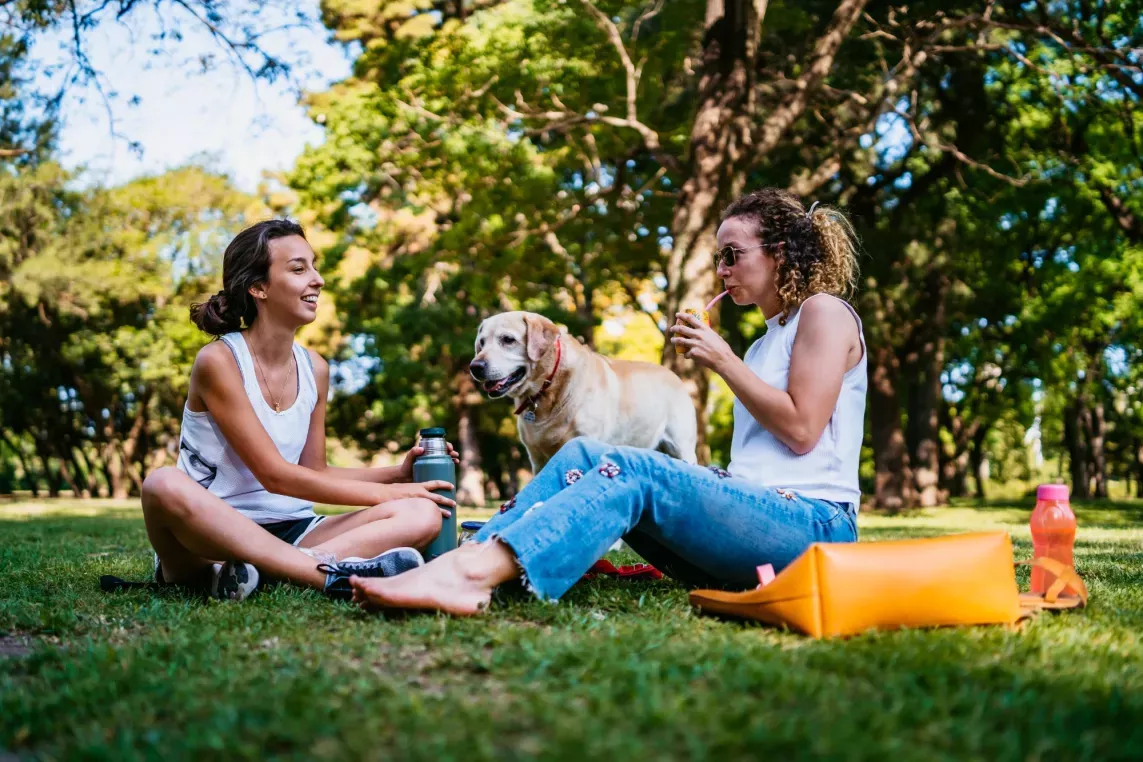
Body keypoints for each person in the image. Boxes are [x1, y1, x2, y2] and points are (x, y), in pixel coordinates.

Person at [349, 188, 867, 615]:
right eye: (717, 258)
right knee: (580, 455)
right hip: (754, 531)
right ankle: (458, 561)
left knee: (632, 469)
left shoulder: (823, 312)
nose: (722, 270)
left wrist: (722, 361)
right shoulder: (764, 342)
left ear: (780, 252)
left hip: (813, 527)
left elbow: (802, 431)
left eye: (733, 255)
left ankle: (469, 576)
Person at [141, 219, 458, 600]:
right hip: (208, 535)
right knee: (161, 484)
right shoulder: (219, 361)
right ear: (258, 287)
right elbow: (274, 475)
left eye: (314, 265)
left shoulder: (315, 368)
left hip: (295, 527)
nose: (318, 279)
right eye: (298, 269)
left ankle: (261, 573)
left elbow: (314, 471)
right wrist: (388, 496)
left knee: (422, 515)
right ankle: (325, 574)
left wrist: (396, 476)